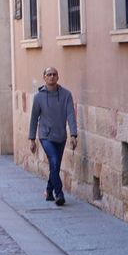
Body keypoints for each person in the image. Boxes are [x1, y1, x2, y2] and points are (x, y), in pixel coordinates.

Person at [29, 66, 79, 206]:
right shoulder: (38, 97)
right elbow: (34, 118)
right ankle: (59, 193)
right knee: (55, 161)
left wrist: (73, 135)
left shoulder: (66, 95)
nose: (51, 77)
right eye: (49, 74)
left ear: (58, 77)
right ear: (44, 77)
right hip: (45, 136)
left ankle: (49, 190)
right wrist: (32, 139)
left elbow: (71, 115)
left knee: (54, 166)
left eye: (54, 74)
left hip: (61, 136)